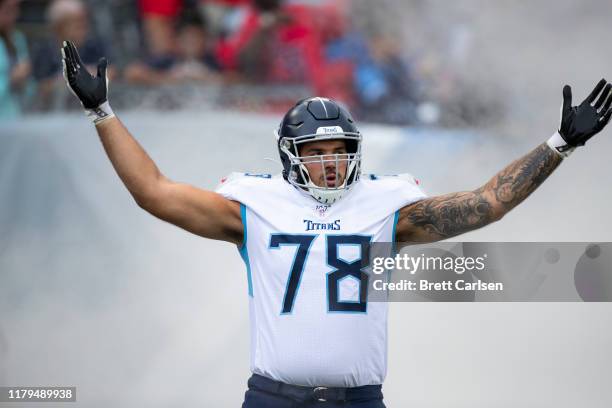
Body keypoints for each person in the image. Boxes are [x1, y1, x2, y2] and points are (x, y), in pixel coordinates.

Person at [60, 40, 611, 407]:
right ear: (290, 153)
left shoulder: (384, 204)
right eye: (318, 150)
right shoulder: (254, 202)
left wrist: (559, 145)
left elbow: (487, 202)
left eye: (341, 149)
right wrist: (102, 113)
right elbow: (153, 193)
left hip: (358, 400)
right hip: (274, 398)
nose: (332, 161)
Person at [0, 0, 31, 118]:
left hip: (18, 116)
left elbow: (29, 90)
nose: (15, 15)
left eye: (16, 9)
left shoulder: (18, 39)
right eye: (8, 10)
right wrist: (11, 79)